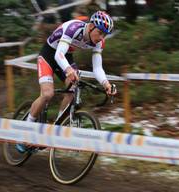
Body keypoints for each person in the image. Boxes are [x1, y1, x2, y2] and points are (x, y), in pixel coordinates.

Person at [16, 11, 117, 152]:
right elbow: (58, 55)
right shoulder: (73, 28)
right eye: (100, 33)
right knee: (47, 94)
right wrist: (69, 70)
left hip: (66, 57)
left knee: (73, 90)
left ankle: (57, 128)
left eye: (104, 35)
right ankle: (25, 133)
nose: (101, 38)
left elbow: (97, 67)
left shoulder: (99, 42)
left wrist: (106, 84)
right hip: (49, 55)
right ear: (91, 26)